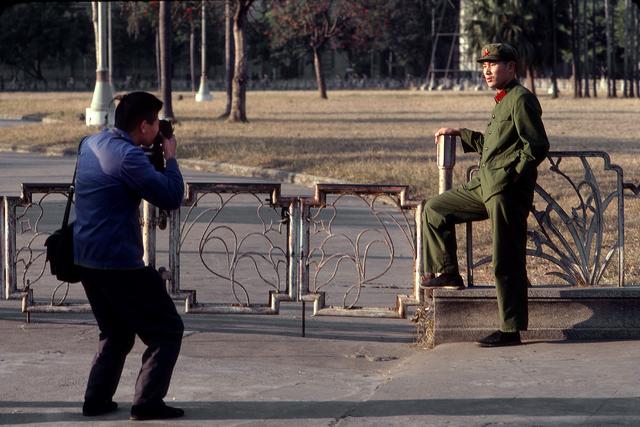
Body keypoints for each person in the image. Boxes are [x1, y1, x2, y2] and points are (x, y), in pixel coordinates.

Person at [421, 43, 550, 347]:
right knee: (435, 209)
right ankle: (449, 273)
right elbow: (496, 145)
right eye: (484, 65)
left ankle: (510, 329)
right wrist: (459, 133)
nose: (487, 70)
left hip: (505, 191)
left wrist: (512, 174)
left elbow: (537, 145)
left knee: (506, 259)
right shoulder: (502, 101)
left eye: (493, 64)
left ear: (511, 67)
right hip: (484, 185)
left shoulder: (521, 99)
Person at [74, 91, 185, 420]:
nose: (159, 130)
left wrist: (149, 154)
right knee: (166, 330)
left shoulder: (90, 143)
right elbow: (170, 196)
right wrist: (171, 157)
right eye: (156, 125)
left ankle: (96, 401)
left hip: (86, 255)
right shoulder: (128, 157)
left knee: (116, 332)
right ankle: (147, 403)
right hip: (117, 260)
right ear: (145, 126)